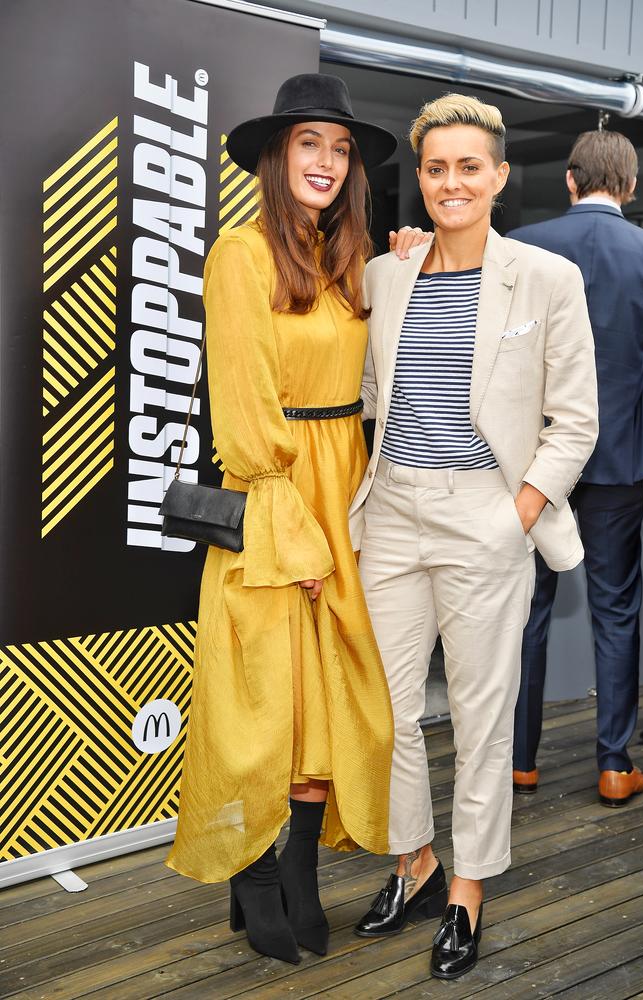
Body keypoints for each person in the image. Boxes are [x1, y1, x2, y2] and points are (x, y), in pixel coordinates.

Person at [166, 74, 422, 965]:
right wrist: (296, 529)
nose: (325, 161)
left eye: (340, 148)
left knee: (341, 710)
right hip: (280, 501)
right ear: (278, 157)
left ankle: (301, 865)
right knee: (269, 706)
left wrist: (412, 258)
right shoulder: (241, 255)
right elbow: (241, 410)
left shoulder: (346, 261)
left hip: (346, 490)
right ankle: (258, 872)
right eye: (309, 143)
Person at [349, 94, 598, 979]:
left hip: (486, 516)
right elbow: (372, 401)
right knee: (387, 709)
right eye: (435, 168)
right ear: (418, 181)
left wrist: (518, 512)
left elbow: (574, 422)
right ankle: (415, 861)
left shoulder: (543, 277)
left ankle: (469, 890)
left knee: (486, 718)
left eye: (467, 166)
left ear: (498, 176)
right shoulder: (387, 276)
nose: (451, 182)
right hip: (391, 515)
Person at [509, 131, 643, 808]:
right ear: (629, 186)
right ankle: (615, 764)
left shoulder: (522, 247)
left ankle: (521, 760)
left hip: (533, 465)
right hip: (620, 463)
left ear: (569, 181)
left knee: (526, 607)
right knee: (616, 609)